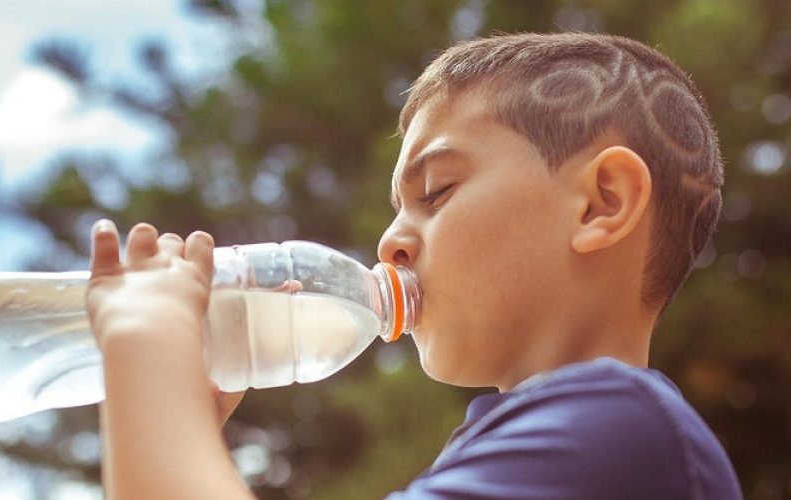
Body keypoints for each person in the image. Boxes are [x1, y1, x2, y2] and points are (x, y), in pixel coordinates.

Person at [85, 32, 743, 499]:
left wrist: (149, 347)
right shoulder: (528, 450)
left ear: (602, 204)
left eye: (436, 192)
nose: (390, 244)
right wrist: (173, 426)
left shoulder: (618, 433)